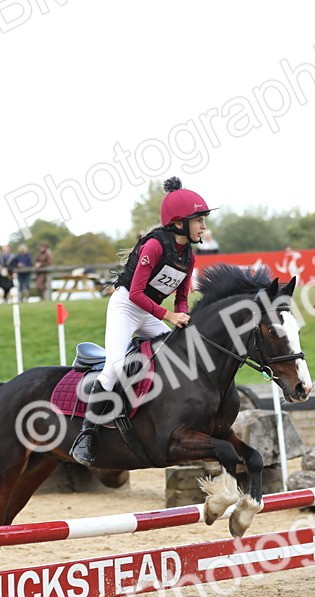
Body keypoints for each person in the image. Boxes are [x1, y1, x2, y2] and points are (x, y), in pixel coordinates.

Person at [68, 176, 215, 466]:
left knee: (178, 354)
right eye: (199, 220)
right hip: (126, 306)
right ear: (179, 222)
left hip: (150, 312)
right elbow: (135, 293)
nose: (203, 227)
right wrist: (169, 316)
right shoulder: (154, 246)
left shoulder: (188, 256)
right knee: (114, 367)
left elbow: (181, 296)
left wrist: (182, 317)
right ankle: (87, 434)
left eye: (203, 221)